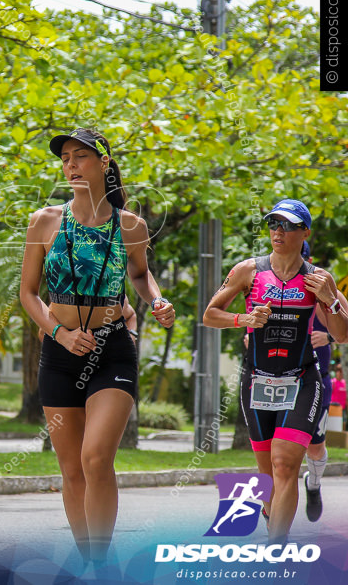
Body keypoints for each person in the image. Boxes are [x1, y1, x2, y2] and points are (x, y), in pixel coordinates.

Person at [19, 128, 175, 564]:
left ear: (104, 163)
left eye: (80, 157)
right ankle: (88, 561)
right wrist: (60, 333)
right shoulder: (44, 221)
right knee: (71, 469)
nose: (70, 165)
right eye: (65, 158)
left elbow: (141, 276)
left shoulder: (131, 225)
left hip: (112, 350)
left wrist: (158, 301)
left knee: (95, 457)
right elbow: (29, 294)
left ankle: (102, 564)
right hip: (60, 351)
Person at [203, 199, 348, 542]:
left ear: (304, 232)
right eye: (274, 224)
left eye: (287, 226)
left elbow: (342, 334)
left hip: (302, 380)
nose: (278, 232)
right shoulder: (248, 271)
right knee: (267, 474)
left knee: (285, 466)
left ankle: (275, 549)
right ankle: (272, 519)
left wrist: (331, 299)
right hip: (256, 379)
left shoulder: (318, 279)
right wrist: (244, 319)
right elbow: (210, 314)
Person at [299, 241, 334, 523]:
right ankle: (273, 513)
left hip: (318, 379)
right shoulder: (268, 285)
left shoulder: (321, 286)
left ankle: (314, 484)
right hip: (280, 378)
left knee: (315, 446)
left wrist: (329, 336)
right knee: (276, 451)